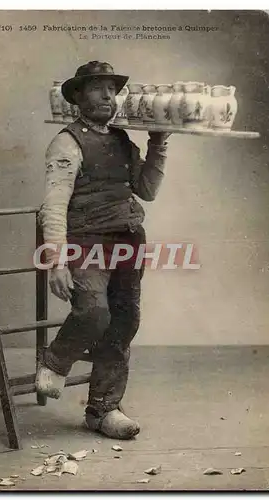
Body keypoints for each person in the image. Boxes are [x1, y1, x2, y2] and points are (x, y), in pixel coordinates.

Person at [36, 61, 171, 440]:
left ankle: (104, 409)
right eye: (96, 88)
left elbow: (147, 191)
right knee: (94, 312)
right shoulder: (67, 142)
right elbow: (54, 206)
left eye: (112, 90)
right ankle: (55, 360)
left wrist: (159, 142)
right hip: (85, 242)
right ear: (78, 96)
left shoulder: (122, 140)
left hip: (126, 240)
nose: (106, 96)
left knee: (124, 321)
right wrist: (57, 261)